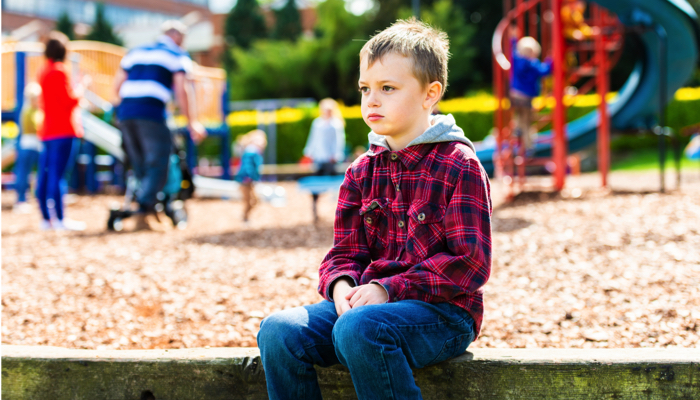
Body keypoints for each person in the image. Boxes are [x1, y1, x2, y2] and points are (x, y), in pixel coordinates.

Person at [257, 18, 492, 399]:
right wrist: (342, 285)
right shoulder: (361, 171)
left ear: (429, 94)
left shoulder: (457, 164)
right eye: (366, 88)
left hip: (444, 315)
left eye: (387, 88)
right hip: (368, 310)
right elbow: (344, 252)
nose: (372, 100)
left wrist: (388, 288)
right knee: (278, 331)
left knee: (360, 328)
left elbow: (470, 264)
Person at [113, 20, 207, 231]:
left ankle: (149, 210)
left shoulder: (136, 51)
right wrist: (192, 122)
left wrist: (120, 110)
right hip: (151, 112)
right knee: (159, 162)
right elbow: (182, 90)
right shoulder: (177, 54)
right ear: (179, 37)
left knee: (140, 164)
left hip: (126, 112)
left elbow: (117, 83)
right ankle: (144, 213)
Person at [36, 31, 87, 231]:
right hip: (64, 130)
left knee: (46, 174)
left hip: (48, 130)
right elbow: (69, 101)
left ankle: (46, 219)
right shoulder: (60, 70)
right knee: (58, 176)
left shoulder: (43, 71)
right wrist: (81, 89)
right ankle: (60, 219)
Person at [303, 98, 346, 222]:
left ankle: (341, 210)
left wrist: (336, 154)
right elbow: (313, 139)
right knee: (316, 184)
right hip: (319, 158)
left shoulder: (336, 124)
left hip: (331, 159)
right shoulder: (317, 123)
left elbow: (339, 141)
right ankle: (315, 209)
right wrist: (309, 152)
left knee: (336, 184)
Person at [509, 30, 553, 151]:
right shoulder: (533, 64)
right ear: (532, 52)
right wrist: (552, 59)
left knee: (518, 118)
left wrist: (512, 39)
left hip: (514, 95)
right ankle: (528, 147)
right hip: (526, 98)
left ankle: (516, 134)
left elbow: (511, 49)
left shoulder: (515, 60)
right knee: (527, 123)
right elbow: (545, 71)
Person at [13, 83, 44, 214]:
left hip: (36, 146)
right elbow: (35, 127)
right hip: (28, 146)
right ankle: (21, 200)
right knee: (24, 174)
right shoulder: (28, 111)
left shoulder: (36, 111)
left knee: (38, 173)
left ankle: (36, 197)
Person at [234, 129, 267, 222]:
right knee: (250, 200)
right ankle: (245, 218)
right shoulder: (252, 151)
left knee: (254, 200)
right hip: (246, 179)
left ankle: (246, 218)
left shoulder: (252, 150)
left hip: (248, 179)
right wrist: (249, 176)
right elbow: (248, 165)